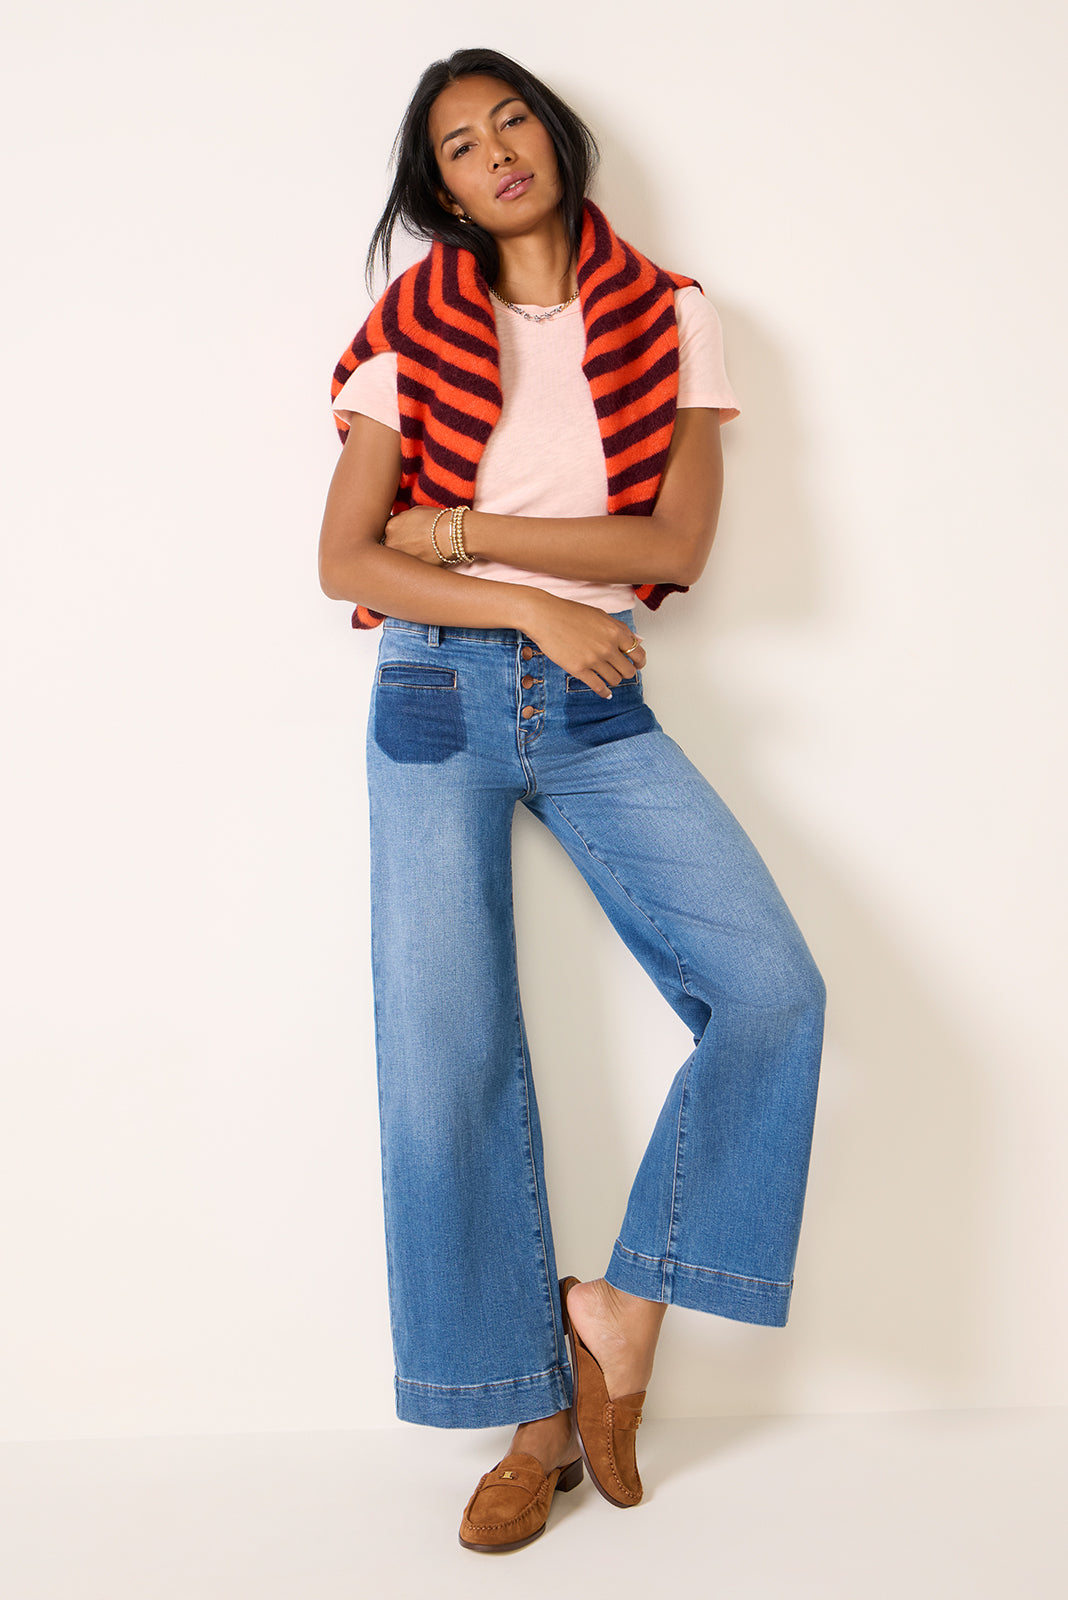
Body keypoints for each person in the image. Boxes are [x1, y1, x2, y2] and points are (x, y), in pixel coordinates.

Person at [318, 48, 826, 1553]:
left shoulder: (673, 314)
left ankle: (620, 1309)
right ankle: (527, 1415)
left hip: (598, 705)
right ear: (441, 191)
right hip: (435, 693)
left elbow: (672, 543)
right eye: (458, 145)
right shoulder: (407, 331)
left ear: (553, 134)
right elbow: (348, 559)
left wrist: (466, 530)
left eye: (511, 120)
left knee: (774, 993)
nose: (496, 151)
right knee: (446, 1060)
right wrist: (529, 600)